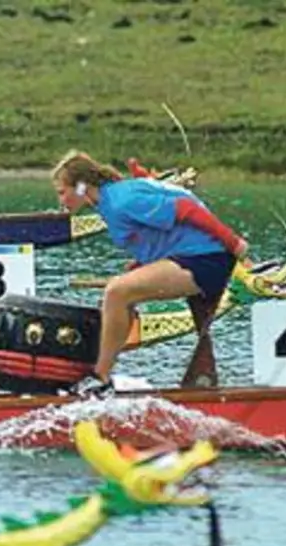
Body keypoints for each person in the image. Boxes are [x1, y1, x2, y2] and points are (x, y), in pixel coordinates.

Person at [51, 150, 248, 394]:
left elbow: (187, 209)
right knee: (121, 292)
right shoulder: (108, 200)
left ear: (81, 187)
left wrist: (233, 243)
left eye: (62, 192)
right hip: (190, 255)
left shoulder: (122, 201)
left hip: (208, 259)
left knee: (117, 292)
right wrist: (140, 265)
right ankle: (102, 368)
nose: (61, 200)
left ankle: (99, 376)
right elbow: (158, 235)